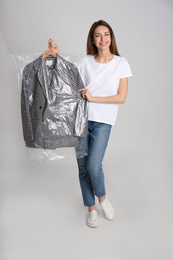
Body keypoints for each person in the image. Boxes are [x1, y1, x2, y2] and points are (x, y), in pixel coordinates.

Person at [48, 20, 132, 228]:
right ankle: (91, 208)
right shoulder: (85, 62)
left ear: (111, 38)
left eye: (106, 34)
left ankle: (102, 199)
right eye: (98, 35)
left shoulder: (121, 63)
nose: (103, 39)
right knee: (83, 166)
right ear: (92, 40)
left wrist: (94, 99)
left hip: (103, 121)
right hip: (80, 119)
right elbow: (66, 78)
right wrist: (56, 56)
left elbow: (121, 97)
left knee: (94, 165)